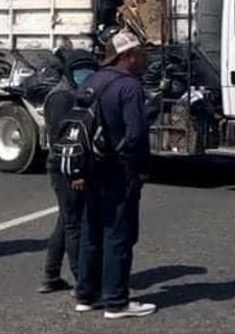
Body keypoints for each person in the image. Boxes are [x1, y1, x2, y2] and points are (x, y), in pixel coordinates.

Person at [75, 30, 157, 319]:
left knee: (92, 231)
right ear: (128, 55)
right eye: (140, 53)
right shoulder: (129, 87)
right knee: (118, 235)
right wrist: (142, 169)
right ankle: (116, 302)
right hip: (117, 170)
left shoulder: (92, 81)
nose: (143, 58)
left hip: (89, 167)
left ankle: (86, 294)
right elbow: (136, 135)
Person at [39, 50, 99, 294]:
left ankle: (51, 275)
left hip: (72, 165)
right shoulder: (62, 97)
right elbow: (63, 140)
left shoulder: (78, 93)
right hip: (65, 167)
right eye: (80, 70)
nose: (86, 74)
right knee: (75, 224)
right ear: (69, 72)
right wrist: (76, 173)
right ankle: (82, 281)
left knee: (66, 220)